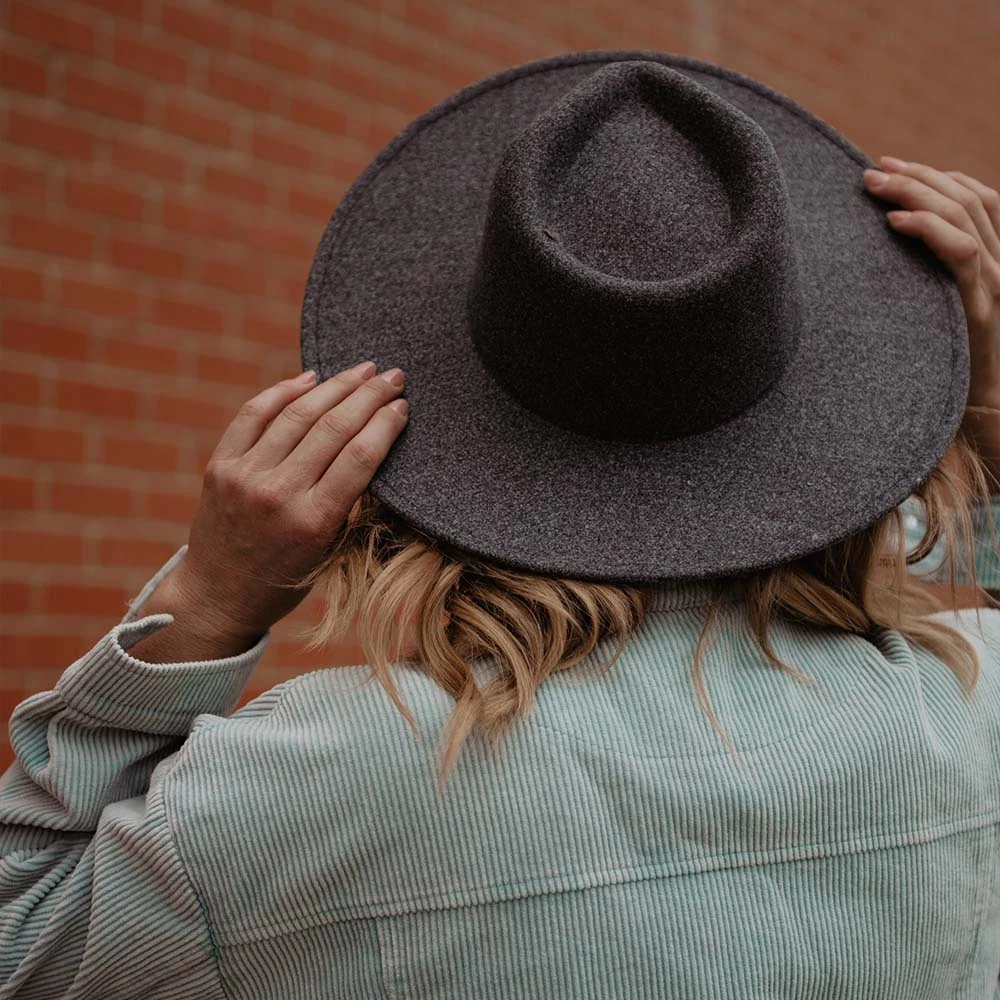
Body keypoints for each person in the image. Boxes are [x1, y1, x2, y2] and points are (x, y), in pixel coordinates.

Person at [2, 51, 1000, 998]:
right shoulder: (965, 714)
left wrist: (211, 599)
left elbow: (23, 938)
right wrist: (986, 411)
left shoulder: (316, 781)